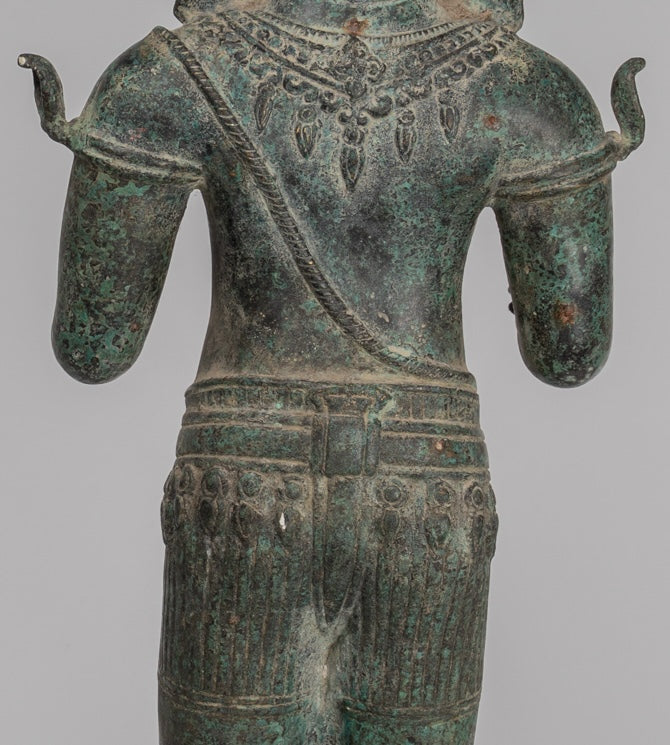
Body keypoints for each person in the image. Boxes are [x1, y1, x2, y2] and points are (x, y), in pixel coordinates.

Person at [20, 0, 644, 742]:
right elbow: (569, 355)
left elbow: (95, 348)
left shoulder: (169, 73)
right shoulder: (527, 89)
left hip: (245, 488)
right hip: (425, 494)